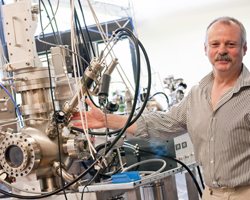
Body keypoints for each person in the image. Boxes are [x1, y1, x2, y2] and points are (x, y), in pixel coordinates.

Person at [71, 17, 250, 200]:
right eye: (215, 44)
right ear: (206, 49)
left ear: (244, 48)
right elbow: (161, 125)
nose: (222, 51)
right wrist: (106, 120)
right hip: (211, 194)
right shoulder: (197, 94)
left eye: (230, 44)